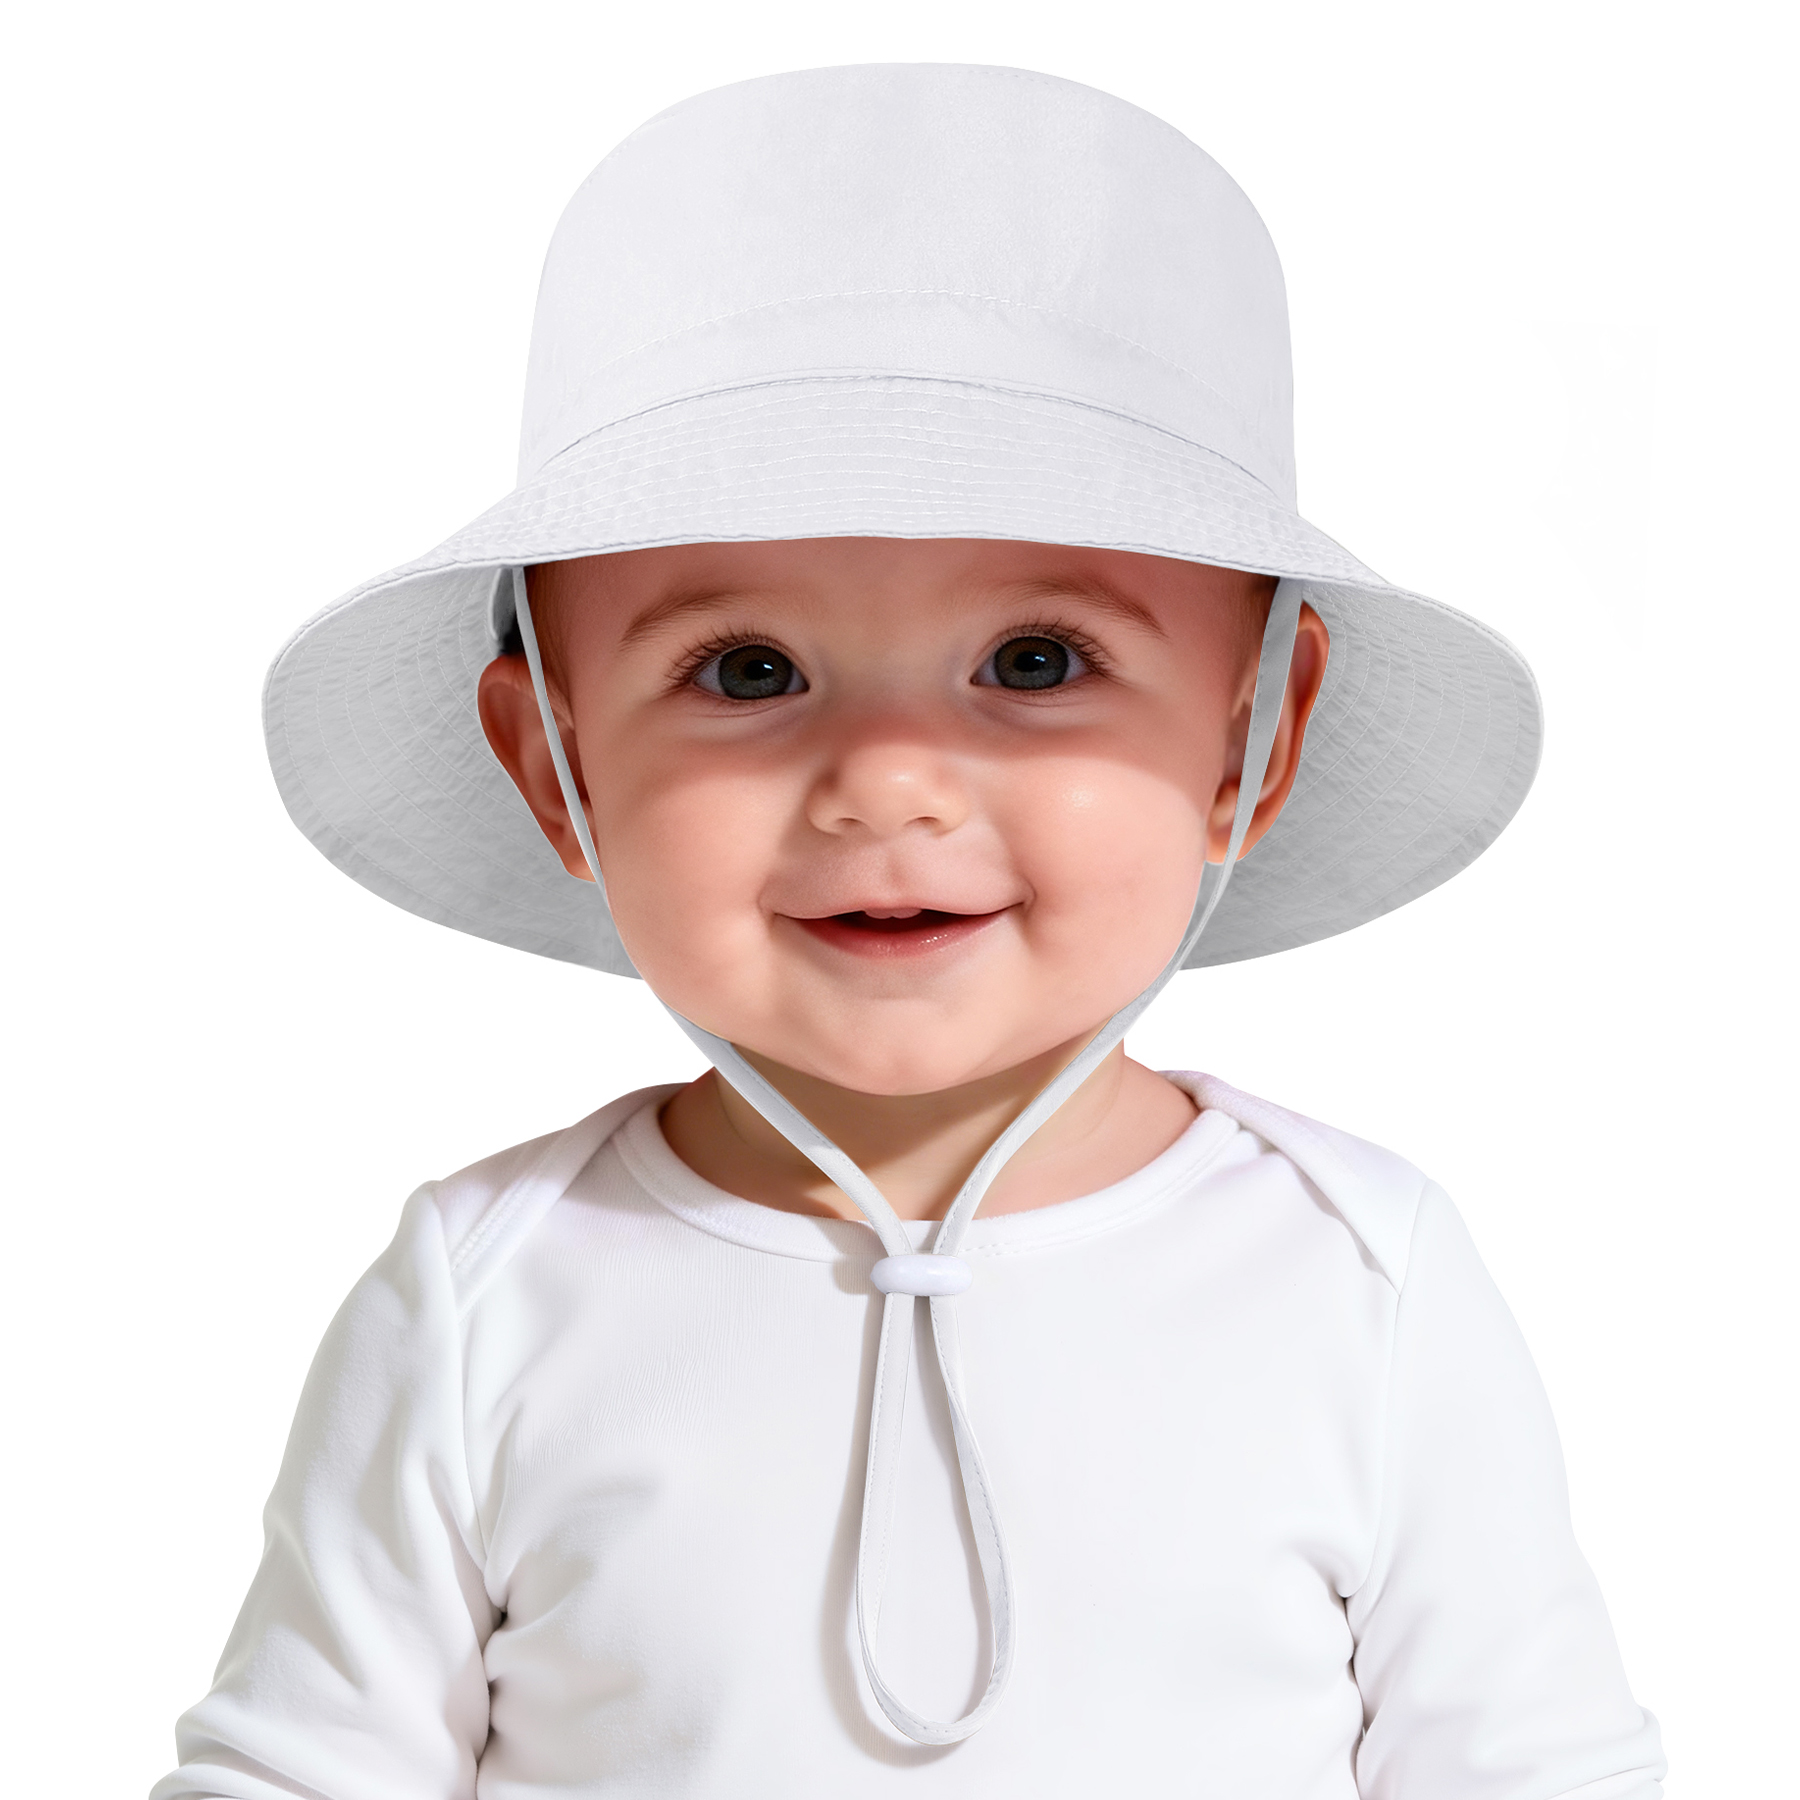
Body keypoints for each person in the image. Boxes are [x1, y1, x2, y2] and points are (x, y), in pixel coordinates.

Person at [154, 64, 1666, 1798]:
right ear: (550, 765)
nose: (884, 779)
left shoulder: (1360, 1280)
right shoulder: (487, 1296)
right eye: (747, 670)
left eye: (1036, 660)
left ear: (1255, 738)